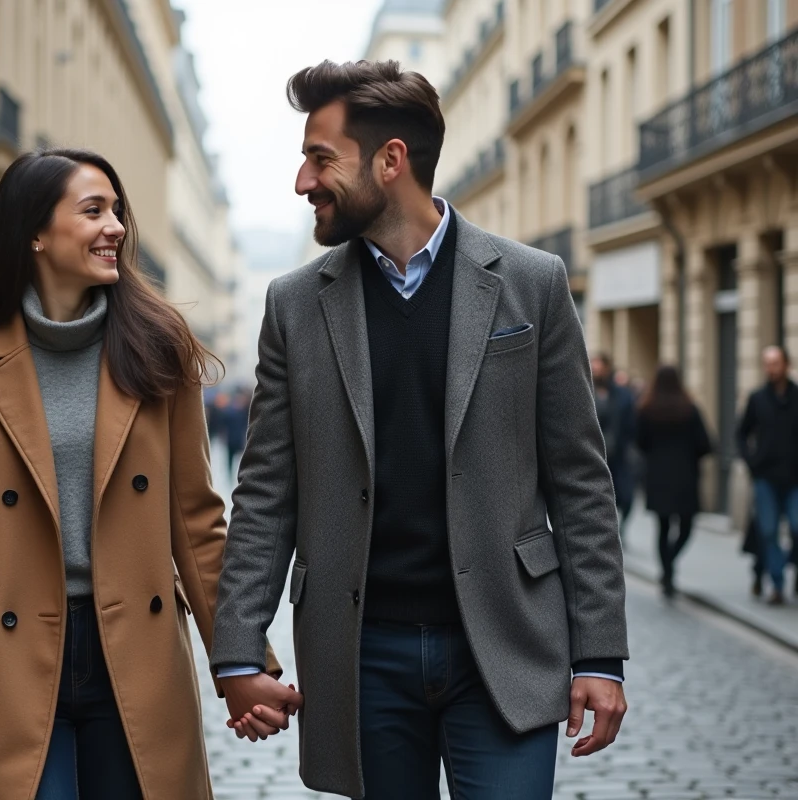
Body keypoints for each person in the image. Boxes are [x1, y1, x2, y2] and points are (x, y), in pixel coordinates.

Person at [210, 61, 628, 799]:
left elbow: (580, 483)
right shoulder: (296, 305)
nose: (303, 182)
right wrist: (238, 650)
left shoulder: (531, 281)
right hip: (361, 653)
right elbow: (267, 490)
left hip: (505, 643)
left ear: (391, 160)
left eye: (320, 158)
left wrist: (600, 655)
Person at [0, 148, 289, 800]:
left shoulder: (157, 351)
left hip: (137, 656)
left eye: (117, 211)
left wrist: (244, 662)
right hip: (20, 658)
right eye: (93, 210)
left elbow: (197, 525)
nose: (117, 228)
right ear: (37, 234)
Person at [635, 365, 712, 598]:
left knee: (663, 527)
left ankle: (667, 570)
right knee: (686, 527)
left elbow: (640, 442)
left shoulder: (646, 410)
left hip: (658, 477)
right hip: (685, 477)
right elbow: (705, 444)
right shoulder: (690, 410)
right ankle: (670, 566)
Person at [736, 345, 798, 606]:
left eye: (776, 363)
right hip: (766, 479)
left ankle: (783, 569)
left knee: (797, 528)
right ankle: (777, 585)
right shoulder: (758, 398)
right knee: (769, 531)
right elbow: (741, 433)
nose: (772, 368)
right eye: (767, 363)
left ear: (786, 364)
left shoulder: (797, 396)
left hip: (795, 478)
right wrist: (752, 463)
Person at [592, 353, 637, 530]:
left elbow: (631, 424)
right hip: (595, 454)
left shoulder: (622, 395)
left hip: (619, 455)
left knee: (626, 497)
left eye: (598, 368)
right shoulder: (585, 391)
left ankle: (620, 528)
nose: (595, 372)